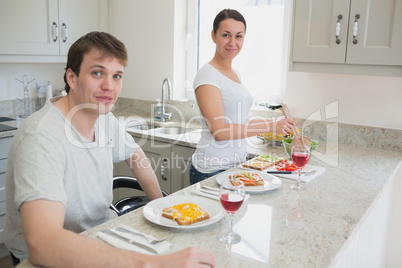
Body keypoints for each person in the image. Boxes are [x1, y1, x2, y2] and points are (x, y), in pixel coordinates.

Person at [4, 31, 216, 268]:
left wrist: (161, 207)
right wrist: (152, 264)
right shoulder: (41, 137)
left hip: (103, 232)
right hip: (50, 256)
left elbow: (135, 154)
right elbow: (44, 244)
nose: (109, 86)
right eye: (97, 73)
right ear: (72, 78)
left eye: (117, 76)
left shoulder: (103, 118)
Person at [190, 9, 295, 184]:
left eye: (239, 36)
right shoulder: (207, 75)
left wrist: (277, 124)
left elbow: (238, 121)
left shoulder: (235, 73)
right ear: (213, 36)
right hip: (210, 170)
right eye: (226, 35)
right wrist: (270, 126)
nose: (233, 42)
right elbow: (220, 131)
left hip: (235, 167)